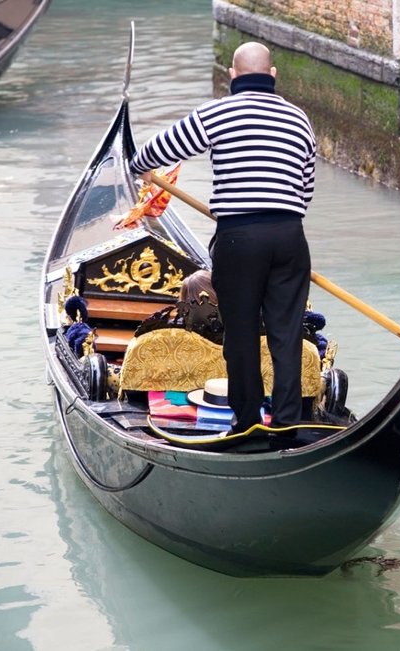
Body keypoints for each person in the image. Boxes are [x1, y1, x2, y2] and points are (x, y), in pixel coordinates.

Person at [130, 42, 316, 433]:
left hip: (239, 238)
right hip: (289, 236)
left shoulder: (217, 113)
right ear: (273, 75)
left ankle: (247, 422)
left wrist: (141, 167)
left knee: (242, 333)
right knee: (287, 334)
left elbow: (157, 150)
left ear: (233, 76)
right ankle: (286, 425)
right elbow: (306, 188)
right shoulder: (300, 119)